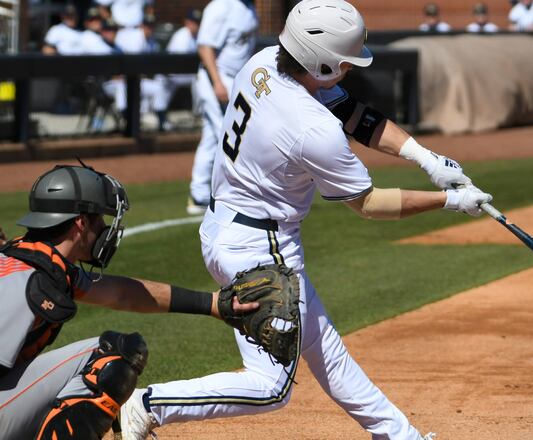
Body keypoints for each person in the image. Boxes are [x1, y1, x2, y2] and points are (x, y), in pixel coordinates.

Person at [117, 1, 490, 439]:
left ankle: (399, 436)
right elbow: (368, 204)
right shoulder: (312, 130)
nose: (350, 68)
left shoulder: (265, 62)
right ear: (324, 62)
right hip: (261, 250)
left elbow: (354, 114)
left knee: (326, 349)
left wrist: (425, 158)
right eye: (346, 62)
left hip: (231, 228)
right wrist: (447, 202)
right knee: (270, 386)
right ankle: (146, 405)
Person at [0, 164, 255, 439]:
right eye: (98, 219)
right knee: (112, 355)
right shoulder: (26, 281)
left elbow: (123, 293)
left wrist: (213, 304)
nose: (104, 228)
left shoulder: (40, 263)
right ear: (80, 223)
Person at [187, 0, 258, 215]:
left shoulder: (249, 7)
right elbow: (205, 47)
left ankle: (198, 194)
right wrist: (217, 82)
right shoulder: (220, 6)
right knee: (230, 135)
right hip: (216, 76)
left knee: (212, 137)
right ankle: (231, 192)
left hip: (236, 78)